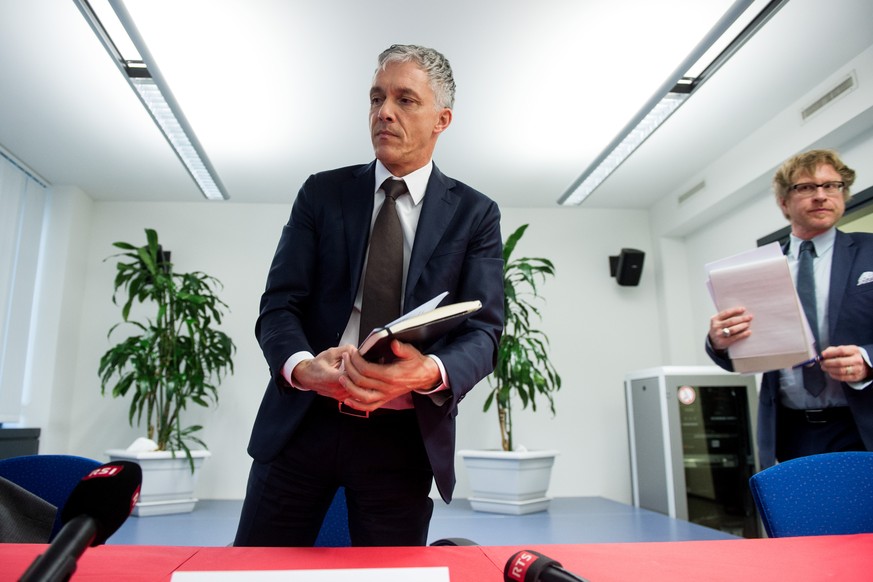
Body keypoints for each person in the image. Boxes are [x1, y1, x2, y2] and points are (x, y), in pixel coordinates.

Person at [233, 44, 504, 547]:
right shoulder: (321, 193)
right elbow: (280, 305)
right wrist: (301, 366)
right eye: (377, 97)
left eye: (406, 100)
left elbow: (484, 330)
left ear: (441, 118)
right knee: (257, 571)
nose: (384, 111)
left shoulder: (475, 214)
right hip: (303, 422)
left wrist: (429, 371)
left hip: (400, 437)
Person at [706, 149, 873, 470]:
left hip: (861, 423)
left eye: (832, 186)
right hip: (791, 431)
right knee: (804, 520)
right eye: (806, 187)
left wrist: (867, 361)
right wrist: (719, 340)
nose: (821, 196)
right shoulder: (755, 270)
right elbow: (738, 354)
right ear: (784, 202)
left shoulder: (870, 252)